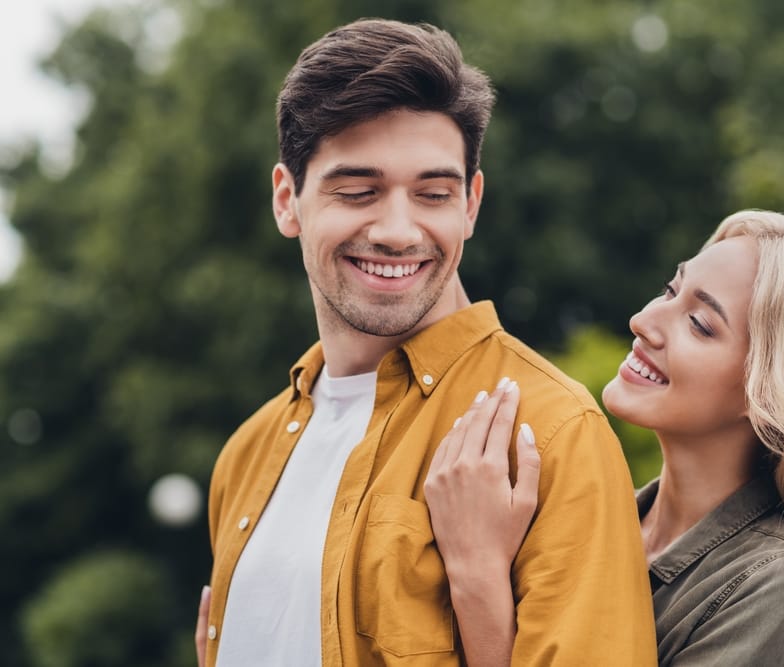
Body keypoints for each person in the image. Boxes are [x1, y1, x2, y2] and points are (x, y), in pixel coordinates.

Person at [195, 17, 656, 667]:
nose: (397, 230)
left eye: (433, 193)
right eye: (359, 191)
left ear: (470, 202)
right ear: (287, 200)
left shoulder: (553, 433)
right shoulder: (247, 453)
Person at [425, 210, 784, 666]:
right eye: (671, 291)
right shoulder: (593, 520)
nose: (644, 320)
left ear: (773, 390)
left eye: (698, 323)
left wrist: (478, 576)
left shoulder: (780, 589)